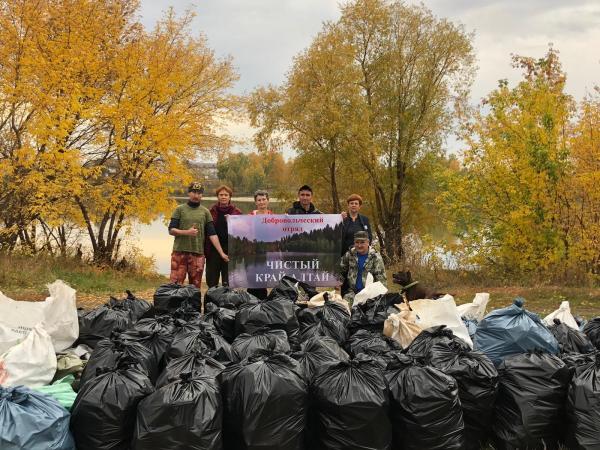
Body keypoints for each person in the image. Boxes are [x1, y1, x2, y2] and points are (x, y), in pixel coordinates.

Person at [168, 182, 229, 289]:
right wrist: (186, 232)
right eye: (194, 192)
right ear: (189, 193)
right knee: (175, 287)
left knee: (195, 288)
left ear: (202, 195)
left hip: (198, 254)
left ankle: (193, 306)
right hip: (179, 253)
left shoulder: (205, 212)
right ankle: (175, 306)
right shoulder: (179, 209)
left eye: (199, 193)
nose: (196, 196)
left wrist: (222, 253)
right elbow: (171, 230)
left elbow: (212, 234)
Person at [205, 185, 242, 287]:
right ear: (217, 197)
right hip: (213, 250)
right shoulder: (211, 211)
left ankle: (226, 302)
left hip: (230, 250)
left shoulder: (237, 212)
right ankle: (210, 302)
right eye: (221, 195)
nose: (223, 197)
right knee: (212, 281)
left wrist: (232, 222)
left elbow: (241, 232)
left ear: (230, 197)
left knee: (228, 282)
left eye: (226, 195)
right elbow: (207, 231)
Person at [339, 231, 387, 305]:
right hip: (352, 293)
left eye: (362, 242)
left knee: (369, 314)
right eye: (357, 242)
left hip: (370, 294)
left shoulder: (376, 257)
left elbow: (381, 280)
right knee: (343, 310)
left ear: (368, 242)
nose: (359, 245)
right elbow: (340, 269)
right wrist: (338, 281)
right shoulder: (349, 254)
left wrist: (381, 297)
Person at [247, 189, 273, 300]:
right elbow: (242, 230)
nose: (262, 202)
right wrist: (231, 220)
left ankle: (262, 305)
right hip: (252, 253)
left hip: (266, 254)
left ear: (268, 201)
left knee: (263, 281)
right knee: (251, 280)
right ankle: (251, 304)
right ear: (255, 202)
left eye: (264, 199)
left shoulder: (274, 217)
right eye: (259, 200)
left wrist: (286, 219)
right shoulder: (250, 216)